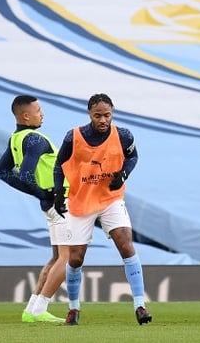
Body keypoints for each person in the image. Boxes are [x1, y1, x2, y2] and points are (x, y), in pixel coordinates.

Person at [52, 93, 152, 326]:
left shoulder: (123, 135)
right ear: (89, 114)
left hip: (110, 198)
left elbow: (133, 157)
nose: (103, 120)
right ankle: (73, 309)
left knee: (125, 243)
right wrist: (59, 192)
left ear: (112, 113)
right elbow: (59, 165)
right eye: (98, 115)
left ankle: (140, 305)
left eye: (107, 115)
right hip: (81, 201)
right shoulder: (74, 137)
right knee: (75, 259)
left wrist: (123, 174)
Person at [0, 95, 68, 324]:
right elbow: (26, 174)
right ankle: (41, 307)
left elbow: (3, 172)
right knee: (68, 258)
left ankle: (32, 309)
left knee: (56, 257)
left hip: (50, 205)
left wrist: (41, 196)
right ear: (26, 115)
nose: (42, 113)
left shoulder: (16, 138)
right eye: (38, 110)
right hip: (62, 202)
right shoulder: (35, 139)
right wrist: (44, 193)